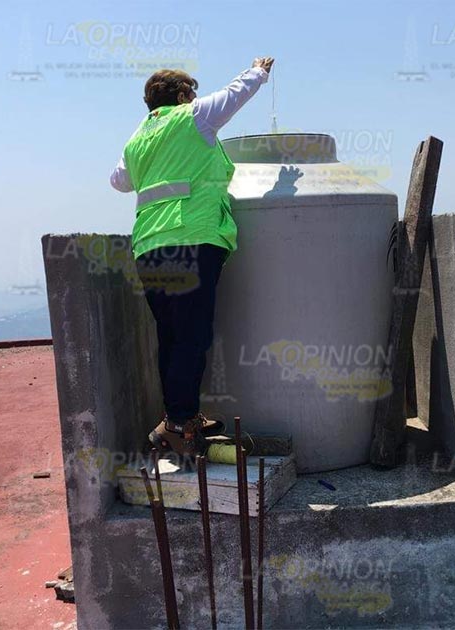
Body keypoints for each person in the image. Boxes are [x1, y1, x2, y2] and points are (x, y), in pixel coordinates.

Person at [110, 58, 275, 457]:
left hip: (148, 247)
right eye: (191, 93)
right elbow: (234, 96)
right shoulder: (192, 117)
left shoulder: (136, 139)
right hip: (191, 240)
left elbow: (119, 181)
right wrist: (257, 71)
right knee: (192, 337)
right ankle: (180, 424)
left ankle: (178, 418)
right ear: (183, 95)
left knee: (171, 336)